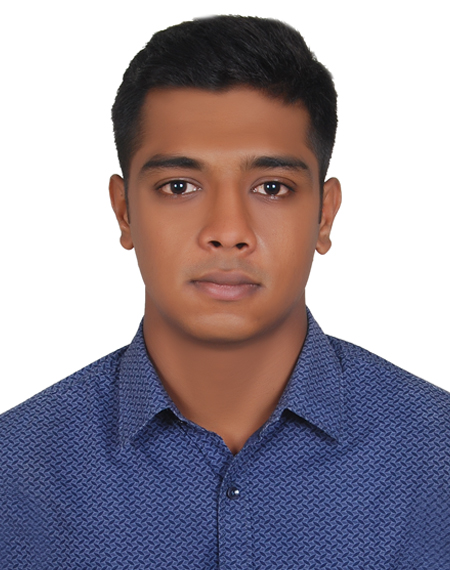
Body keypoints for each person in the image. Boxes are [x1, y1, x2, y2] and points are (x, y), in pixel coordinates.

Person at [0, 14, 448, 569]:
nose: (228, 231)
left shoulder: (438, 455)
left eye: (272, 187)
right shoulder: (15, 470)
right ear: (124, 212)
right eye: (179, 186)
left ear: (325, 215)